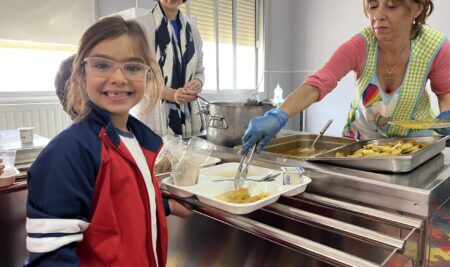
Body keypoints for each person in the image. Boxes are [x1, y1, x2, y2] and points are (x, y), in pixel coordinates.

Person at [25, 16, 191, 267]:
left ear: (147, 75)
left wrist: (163, 205)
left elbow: (116, 208)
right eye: (102, 65)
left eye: (133, 67)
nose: (119, 78)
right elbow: (50, 259)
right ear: (81, 73)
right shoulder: (68, 153)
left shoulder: (135, 140)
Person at [240, 0, 450, 154]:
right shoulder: (361, 45)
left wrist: (447, 114)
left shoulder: (435, 48)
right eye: (373, 6)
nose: (378, 15)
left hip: (415, 144)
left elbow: (445, 92)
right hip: (361, 144)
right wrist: (279, 114)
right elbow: (319, 82)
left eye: (392, 6)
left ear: (417, 8)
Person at [132, 0, 205, 137]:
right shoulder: (139, 26)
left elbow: (199, 69)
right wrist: (171, 94)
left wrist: (198, 82)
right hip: (153, 118)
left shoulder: (193, 30)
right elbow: (134, 76)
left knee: (187, 158)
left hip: (188, 118)